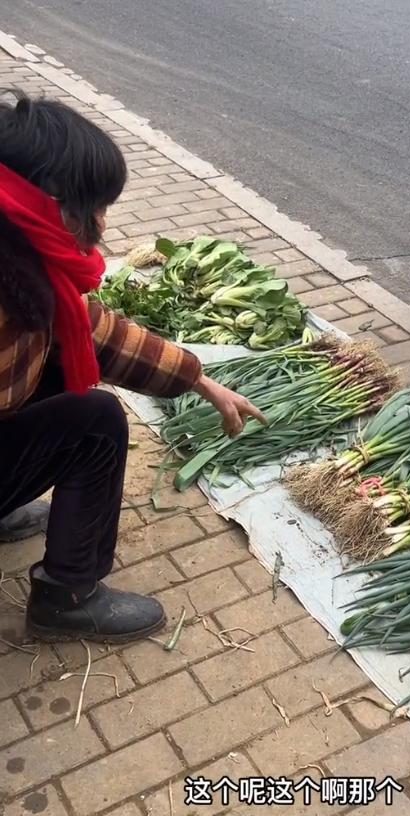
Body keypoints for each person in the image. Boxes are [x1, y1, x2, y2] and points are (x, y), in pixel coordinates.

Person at [0, 92, 265, 644]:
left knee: (61, 368)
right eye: (94, 207)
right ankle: (67, 598)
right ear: (49, 202)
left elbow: (93, 331)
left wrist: (199, 379)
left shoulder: (19, 253)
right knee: (96, 423)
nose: (101, 222)